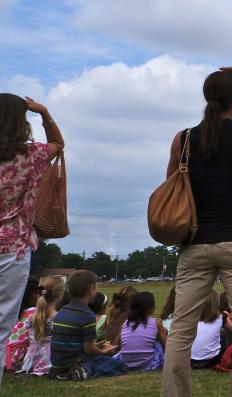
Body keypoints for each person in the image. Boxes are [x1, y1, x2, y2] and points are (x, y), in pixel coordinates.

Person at [161, 63, 232, 397]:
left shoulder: (182, 140)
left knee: (181, 328)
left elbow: (170, 186)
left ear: (206, 98)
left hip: (196, 242)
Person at [0, 94, 65, 386]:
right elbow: (59, 145)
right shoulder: (31, 155)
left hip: (13, 250)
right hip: (13, 249)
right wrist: (45, 113)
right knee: (2, 326)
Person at [49, 270, 126, 380]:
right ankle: (83, 370)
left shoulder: (62, 311)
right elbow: (89, 350)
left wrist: (97, 345)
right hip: (75, 362)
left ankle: (66, 372)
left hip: (57, 364)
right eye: (95, 287)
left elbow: (72, 342)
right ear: (91, 289)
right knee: (118, 365)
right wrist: (103, 351)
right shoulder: (87, 315)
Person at [9, 275, 64, 376]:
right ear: (60, 295)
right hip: (49, 360)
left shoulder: (32, 316)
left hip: (30, 360)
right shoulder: (59, 317)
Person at [119, 291, 168, 371]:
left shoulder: (125, 324)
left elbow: (119, 345)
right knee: (158, 342)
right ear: (152, 309)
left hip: (126, 363)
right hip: (148, 364)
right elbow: (166, 346)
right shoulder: (156, 323)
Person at [190, 291, 223, 369]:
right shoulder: (221, 318)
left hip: (190, 360)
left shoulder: (191, 318)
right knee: (226, 338)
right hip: (211, 361)